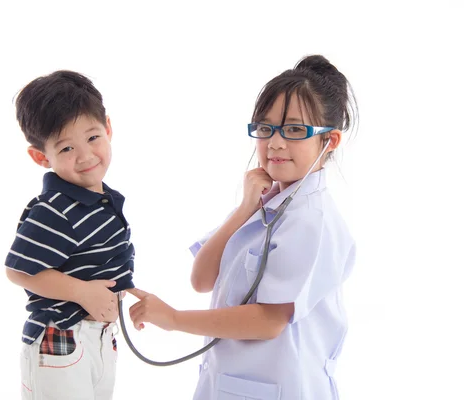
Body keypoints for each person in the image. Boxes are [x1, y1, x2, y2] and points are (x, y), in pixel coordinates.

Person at [128, 55, 358, 400]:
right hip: (232, 384)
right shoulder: (266, 202)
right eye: (265, 129)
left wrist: (173, 319)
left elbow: (268, 321)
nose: (275, 143)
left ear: (329, 141)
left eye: (295, 130)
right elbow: (202, 279)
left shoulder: (313, 220)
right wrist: (244, 207)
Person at [4, 70, 135, 400]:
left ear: (108, 127)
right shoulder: (54, 209)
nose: (86, 156)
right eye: (66, 149)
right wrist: (82, 293)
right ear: (40, 157)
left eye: (92, 138)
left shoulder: (103, 199)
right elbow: (18, 269)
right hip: (61, 339)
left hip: (101, 336)